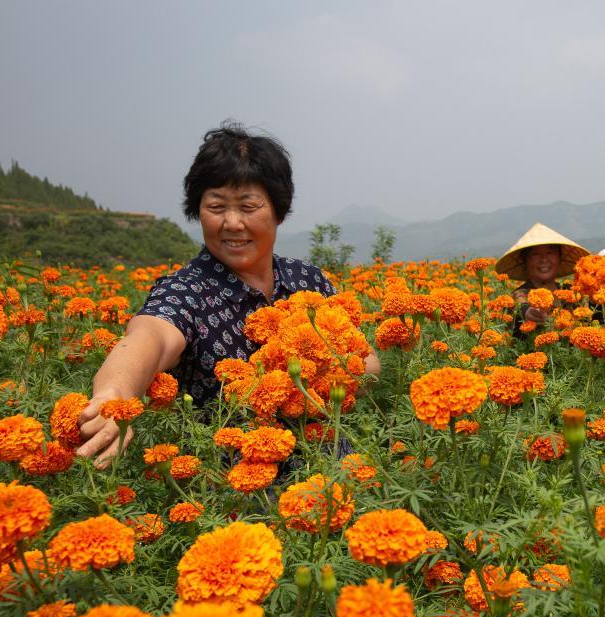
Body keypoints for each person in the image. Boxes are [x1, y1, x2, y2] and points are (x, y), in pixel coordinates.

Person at [75, 123, 381, 466]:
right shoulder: (186, 292)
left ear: (278, 211)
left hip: (336, 475)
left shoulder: (308, 281)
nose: (232, 223)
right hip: (236, 495)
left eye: (248, 207)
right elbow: (151, 336)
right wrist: (113, 394)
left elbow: (365, 362)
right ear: (198, 211)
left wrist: (328, 371)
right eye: (217, 207)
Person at [495, 223, 590, 336]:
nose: (544, 259)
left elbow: (591, 320)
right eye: (535, 254)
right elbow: (520, 307)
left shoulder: (572, 292)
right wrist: (529, 313)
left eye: (550, 253)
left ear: (560, 258)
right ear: (525, 261)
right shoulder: (520, 294)